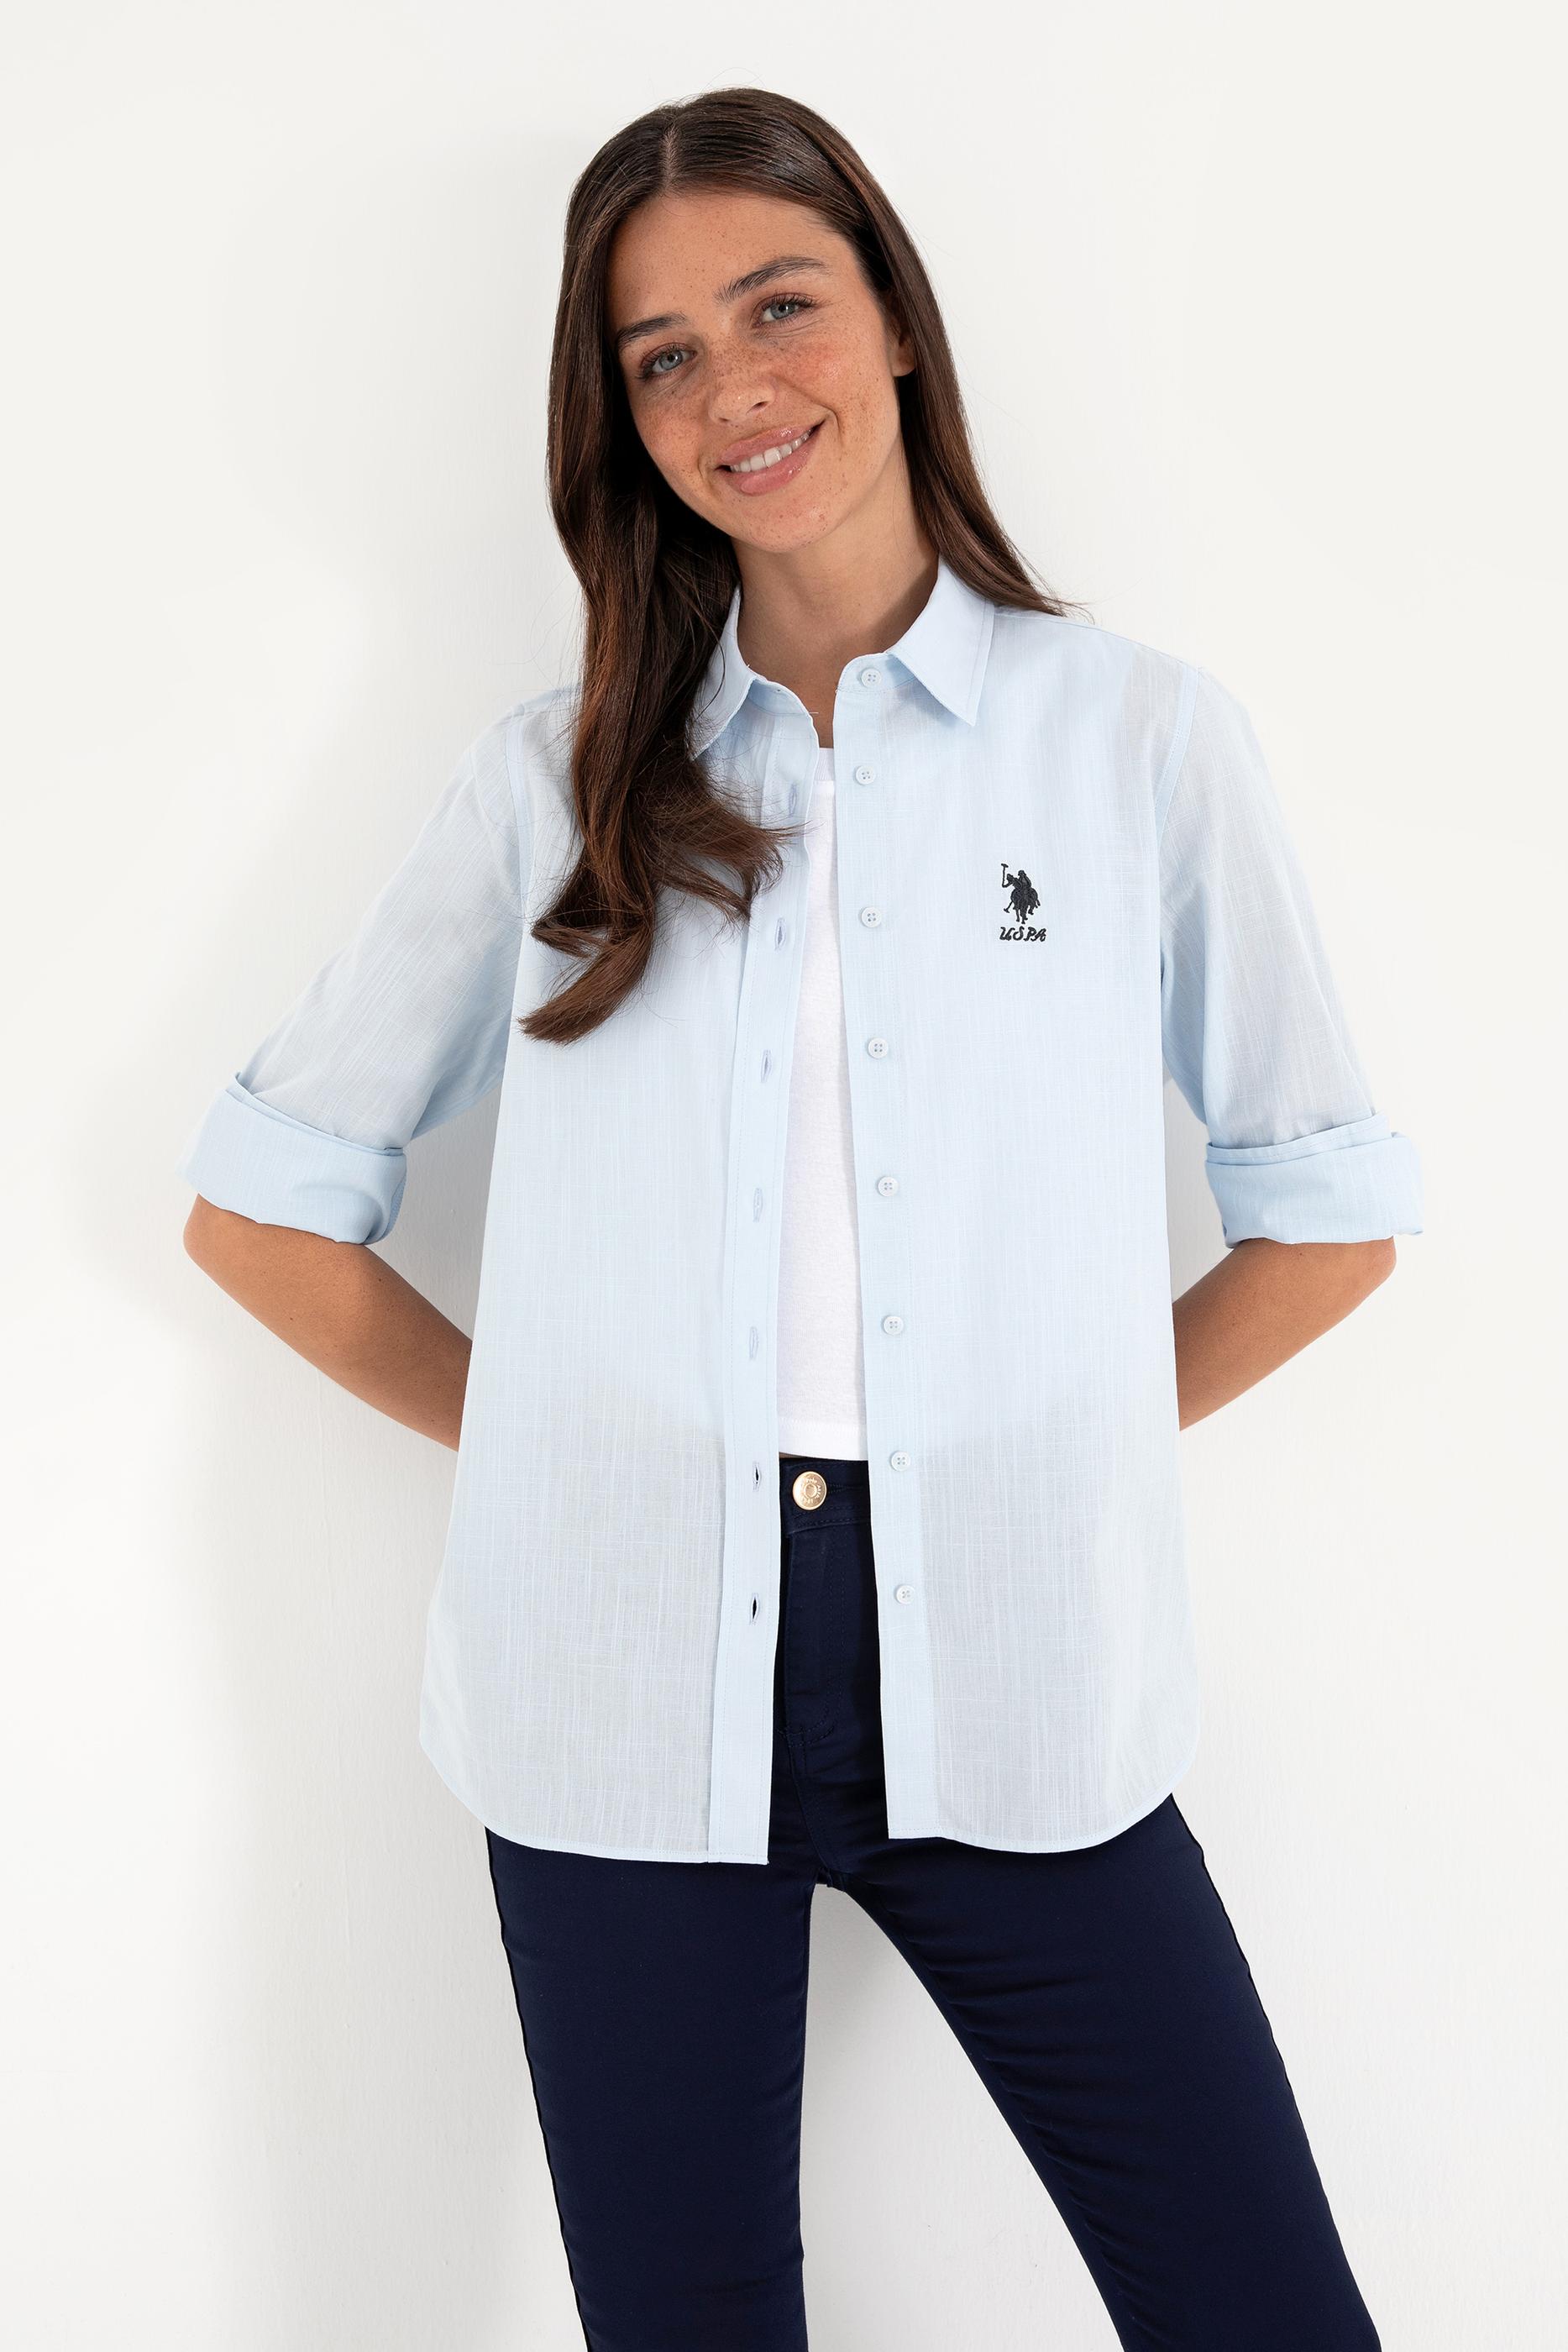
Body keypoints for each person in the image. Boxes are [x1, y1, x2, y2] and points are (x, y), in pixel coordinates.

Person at [177, 86, 1422, 2352]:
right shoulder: (554, 778)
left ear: (898, 323)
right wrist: (567, 1451)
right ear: (620, 420)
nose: (732, 386)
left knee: (1260, 2309)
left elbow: (1326, 1218)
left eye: (779, 306)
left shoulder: (1135, 743)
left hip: (1023, 1680)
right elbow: (265, 1218)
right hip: (620, 1694)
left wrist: (1028, 1442)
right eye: (660, 354)